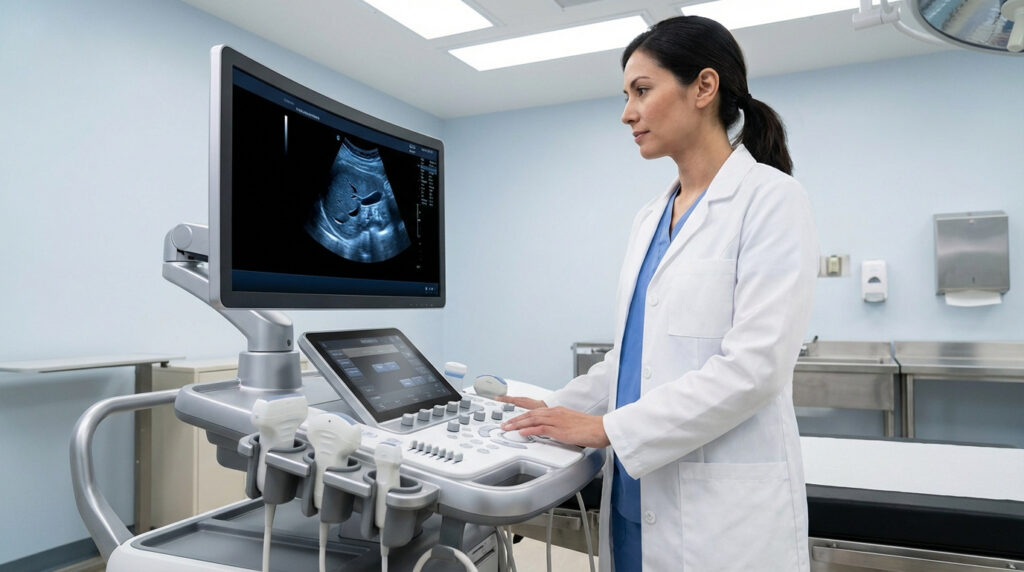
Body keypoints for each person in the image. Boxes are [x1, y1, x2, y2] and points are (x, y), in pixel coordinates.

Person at [499, 15, 818, 571]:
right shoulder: (650, 218)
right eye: (627, 95)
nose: (627, 113)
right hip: (635, 501)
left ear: (704, 87)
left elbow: (755, 368)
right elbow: (632, 361)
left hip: (722, 523)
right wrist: (555, 408)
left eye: (642, 91)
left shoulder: (771, 199)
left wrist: (606, 429)